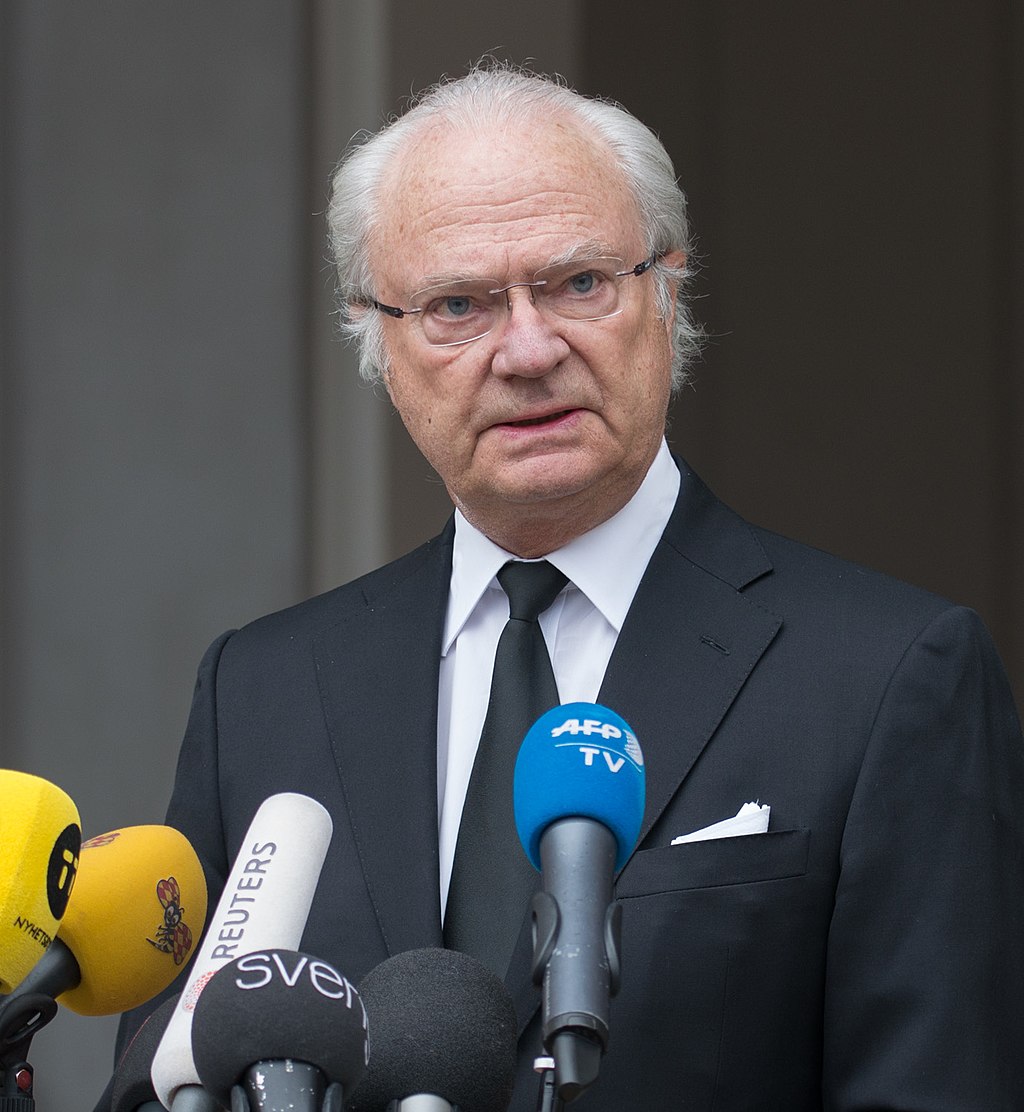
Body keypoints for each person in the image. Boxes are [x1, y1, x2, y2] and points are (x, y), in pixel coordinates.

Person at [100, 63, 1024, 1110]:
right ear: (378, 338)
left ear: (667, 289)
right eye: (457, 304)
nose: (528, 350)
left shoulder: (888, 676)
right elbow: (160, 1083)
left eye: (579, 283)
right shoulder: (262, 689)